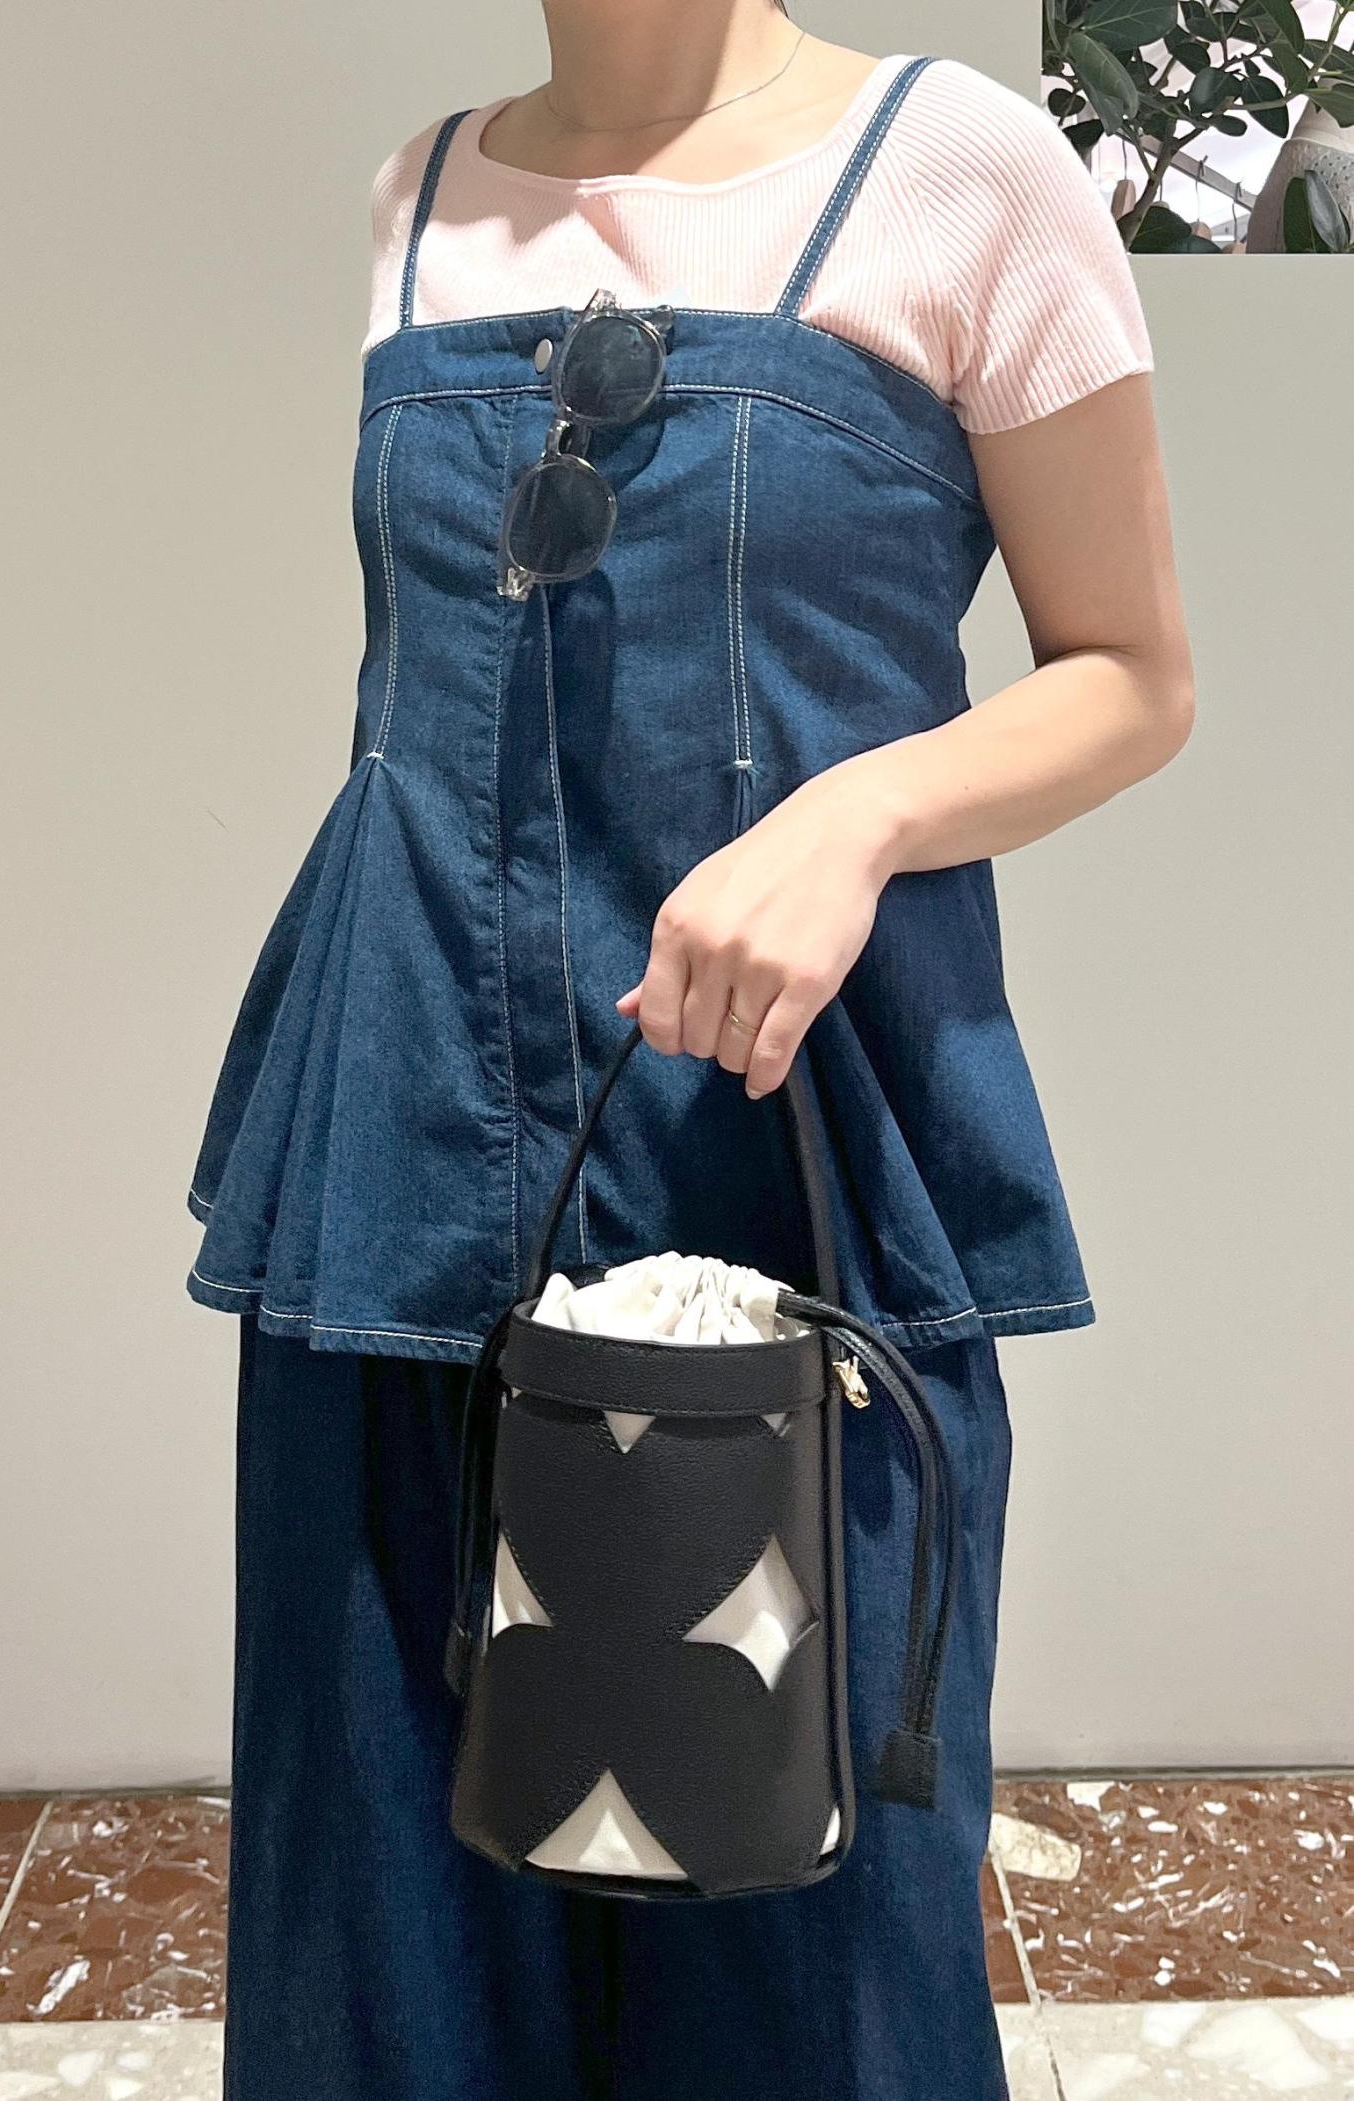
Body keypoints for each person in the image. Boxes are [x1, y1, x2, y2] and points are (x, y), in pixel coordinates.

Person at [187, 6, 1193, 2096]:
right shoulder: (417, 191)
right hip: (397, 1156)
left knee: (808, 1962)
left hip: (787, 1169)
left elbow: (1132, 671)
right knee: (385, 1930)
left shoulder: (962, 170)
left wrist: (859, 816)